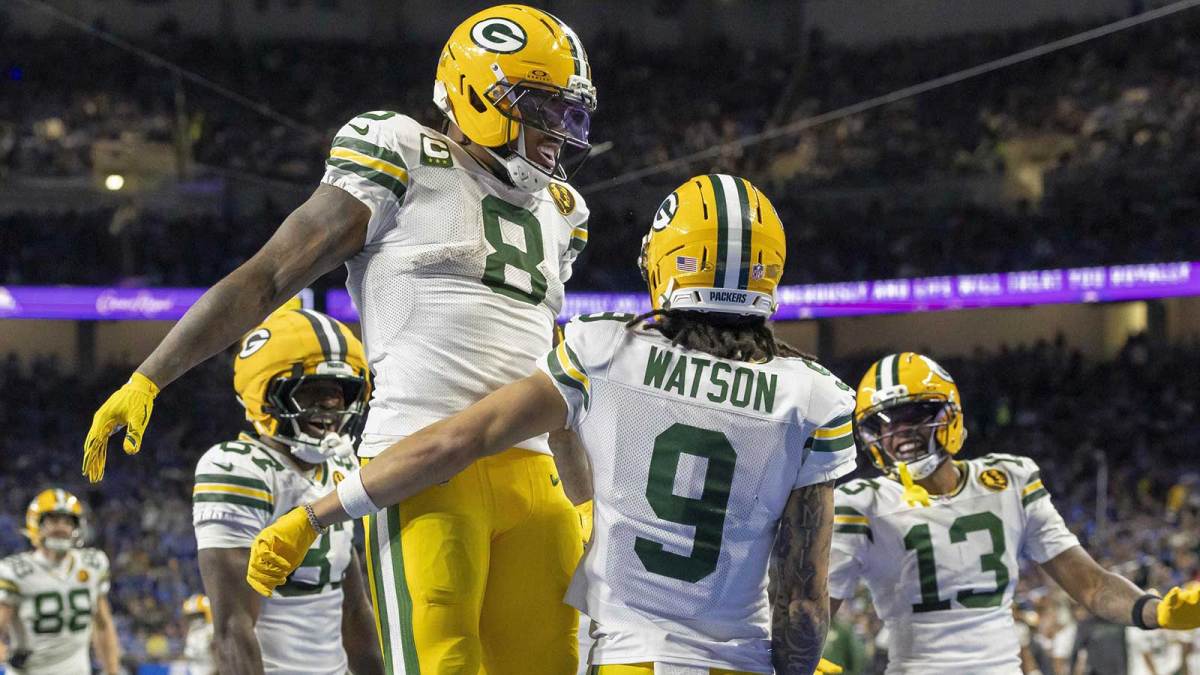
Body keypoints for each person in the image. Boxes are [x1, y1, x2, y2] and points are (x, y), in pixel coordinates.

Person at [82, 4, 597, 672]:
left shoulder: (564, 214)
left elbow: (547, 366)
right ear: (475, 93)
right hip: (420, 466)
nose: (560, 132)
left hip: (536, 475)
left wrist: (585, 494)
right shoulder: (401, 151)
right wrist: (150, 374)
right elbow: (268, 275)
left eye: (569, 113)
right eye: (543, 109)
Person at [244, 175, 853, 674]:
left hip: (630, 663)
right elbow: (801, 603)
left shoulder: (607, 349)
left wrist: (317, 512)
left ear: (667, 261)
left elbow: (460, 439)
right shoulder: (815, 396)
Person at [824, 352, 1200, 674]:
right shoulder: (861, 503)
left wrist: (1156, 611)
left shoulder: (1008, 480)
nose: (898, 433)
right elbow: (817, 610)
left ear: (950, 412)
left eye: (913, 415)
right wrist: (797, 661)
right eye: (882, 424)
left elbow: (1091, 584)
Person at [192, 307, 381, 675]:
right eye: (310, 391)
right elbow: (233, 628)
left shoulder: (342, 466)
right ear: (264, 397)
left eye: (340, 391)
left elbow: (353, 608)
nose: (328, 405)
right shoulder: (239, 468)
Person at [0, 490, 120, 675]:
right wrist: (5, 653)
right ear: (36, 524)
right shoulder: (16, 571)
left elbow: (103, 625)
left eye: (68, 522)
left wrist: (112, 671)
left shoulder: (92, 565)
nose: (62, 528)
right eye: (54, 521)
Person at [181, 594, 214, 675]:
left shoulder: (211, 630)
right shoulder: (192, 633)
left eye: (198, 615)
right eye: (191, 617)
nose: (194, 620)